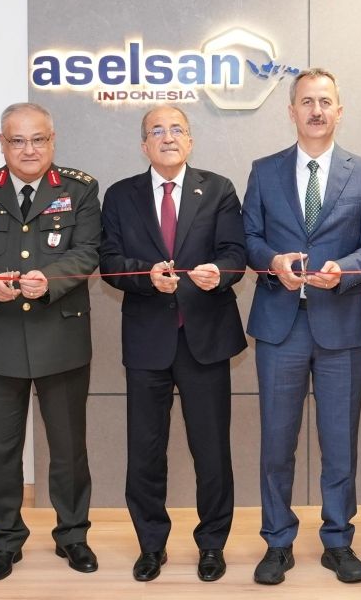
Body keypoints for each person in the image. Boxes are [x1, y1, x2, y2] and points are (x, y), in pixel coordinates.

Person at [242, 68, 361, 585]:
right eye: (307, 101)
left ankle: (338, 541)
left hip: (341, 324)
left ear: (339, 111)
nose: (316, 110)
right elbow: (249, 237)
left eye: (325, 101)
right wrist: (272, 261)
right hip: (280, 325)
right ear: (292, 111)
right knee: (276, 443)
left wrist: (344, 271)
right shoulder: (264, 171)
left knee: (339, 443)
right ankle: (277, 542)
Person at [0, 102, 101, 582]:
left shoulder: (80, 189)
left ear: (53, 140)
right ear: (2, 143)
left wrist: (49, 280)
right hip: (1, 338)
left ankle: (72, 535)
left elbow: (87, 251)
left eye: (38, 139)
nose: (29, 149)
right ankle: (5, 540)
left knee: (68, 448)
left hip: (61, 337)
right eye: (18, 140)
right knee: (0, 449)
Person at [98, 105, 246, 583]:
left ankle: (212, 544)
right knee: (145, 451)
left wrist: (218, 273)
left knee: (211, 451)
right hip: (147, 342)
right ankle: (151, 545)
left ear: (190, 140)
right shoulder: (120, 195)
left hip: (205, 339)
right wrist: (146, 276)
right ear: (143, 144)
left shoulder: (218, 188)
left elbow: (236, 253)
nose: (167, 137)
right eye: (156, 131)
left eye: (176, 129)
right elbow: (109, 262)